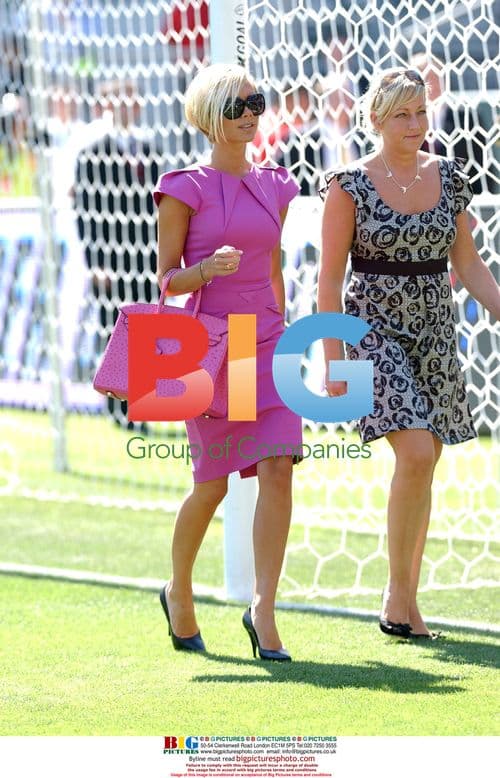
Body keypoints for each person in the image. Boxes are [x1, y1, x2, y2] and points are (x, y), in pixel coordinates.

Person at [317, 67, 500, 639]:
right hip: (371, 331)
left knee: (427, 462)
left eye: (420, 112)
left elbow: (466, 263)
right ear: (375, 119)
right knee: (417, 452)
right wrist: (334, 358)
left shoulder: (449, 177)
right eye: (402, 114)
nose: (415, 124)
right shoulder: (348, 184)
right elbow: (328, 281)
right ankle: (398, 597)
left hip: (434, 330)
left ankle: (404, 602)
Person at [153, 64, 302, 660]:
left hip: (267, 343)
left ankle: (264, 609)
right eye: (239, 105)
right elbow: (166, 280)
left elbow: (273, 267)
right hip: (212, 349)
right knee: (211, 484)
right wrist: (206, 268)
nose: (250, 114)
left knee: (280, 467)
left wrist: (288, 332)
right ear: (211, 115)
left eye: (256, 102)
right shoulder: (182, 186)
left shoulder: (277, 184)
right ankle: (179, 589)